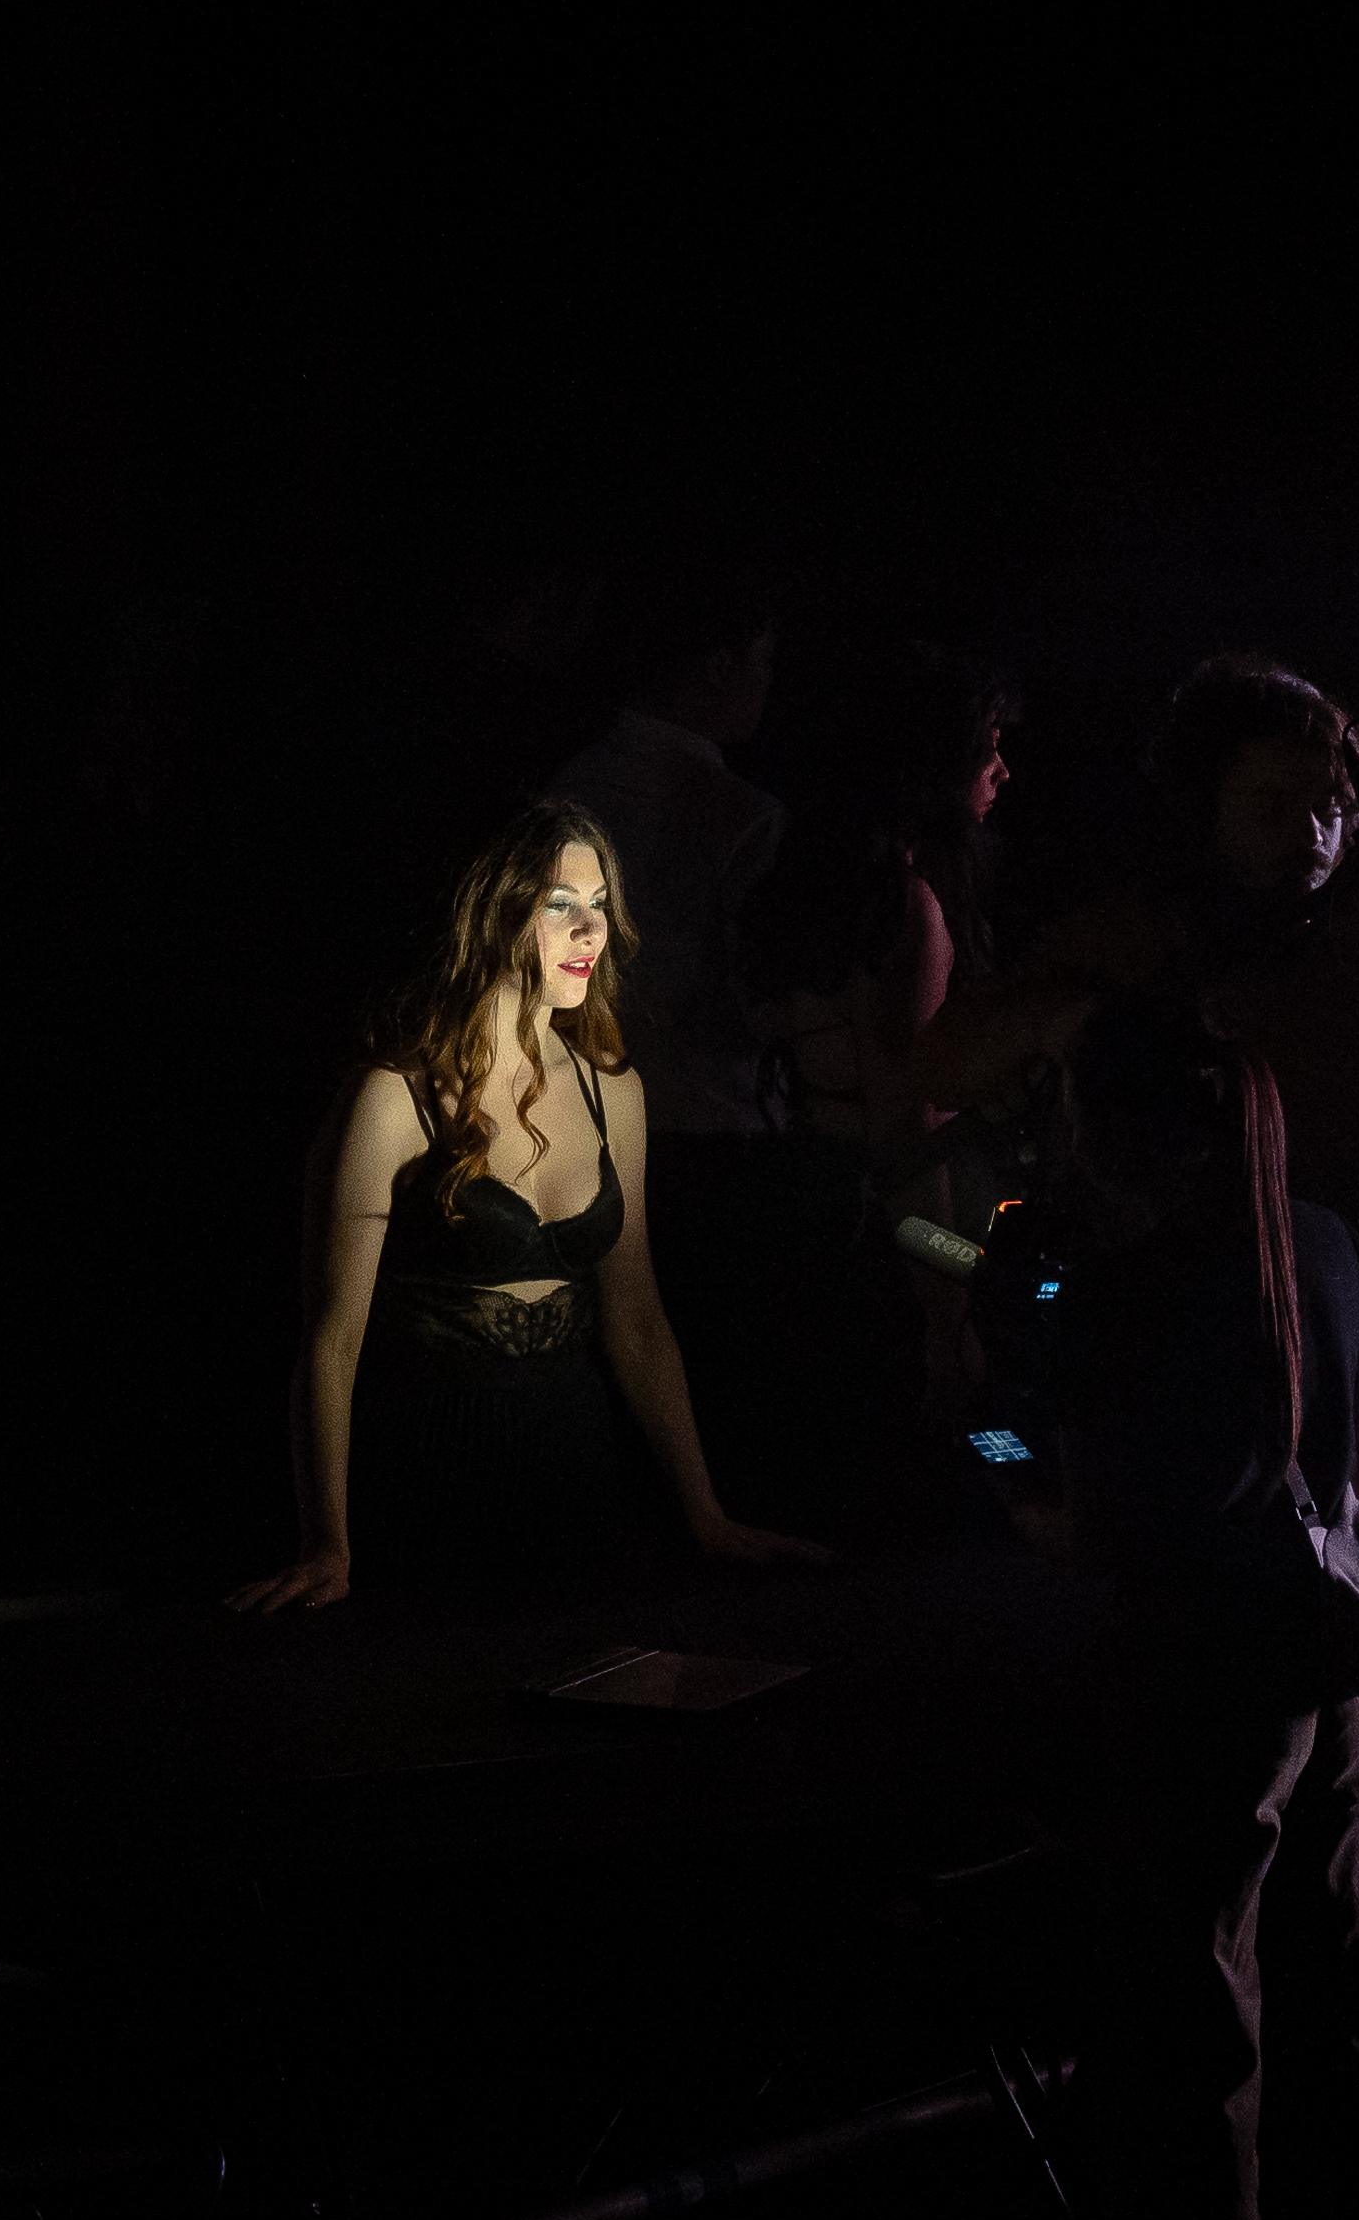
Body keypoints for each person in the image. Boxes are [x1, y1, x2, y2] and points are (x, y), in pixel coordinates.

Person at [1028, 999, 1359, 2220]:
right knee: (1351, 2013)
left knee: (1203, 2031)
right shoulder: (1329, 1244)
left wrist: (989, 1457)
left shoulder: (1118, 1291)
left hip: (1204, 1693)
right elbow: (1354, 1470)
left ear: (1112, 1135)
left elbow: (1089, 1533)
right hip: (1337, 1681)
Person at [920, 656, 1359, 1385]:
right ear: (1205, 810)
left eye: (1330, 806)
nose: (1310, 832)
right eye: (1271, 806)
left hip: (1348, 1323)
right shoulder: (1138, 931)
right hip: (1153, 1324)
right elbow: (941, 1064)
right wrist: (1068, 1020)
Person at [229, 802, 821, 1610]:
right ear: (491, 913)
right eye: (559, 903)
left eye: (600, 904)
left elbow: (638, 1319)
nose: (590, 929)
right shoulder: (395, 1096)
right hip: (429, 1466)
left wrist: (705, 1514)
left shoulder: (613, 1090)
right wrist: (327, 1543)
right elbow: (332, 1338)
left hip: (575, 1467)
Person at [734, 639, 1020, 1524]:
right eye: (988, 749)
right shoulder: (908, 908)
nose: (1003, 772)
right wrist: (951, 1305)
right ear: (933, 762)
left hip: (808, 1215)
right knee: (970, 1449)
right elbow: (906, 1137)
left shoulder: (811, 890)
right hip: (889, 1242)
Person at [545, 567, 794, 1484]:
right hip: (704, 1137)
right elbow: (744, 1004)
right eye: (762, 659)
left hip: (570, 1130)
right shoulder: (740, 818)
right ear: (716, 664)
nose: (770, 682)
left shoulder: (562, 790)